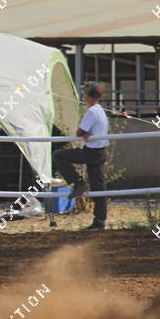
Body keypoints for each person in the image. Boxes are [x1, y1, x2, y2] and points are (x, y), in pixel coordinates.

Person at [54, 82, 109, 230]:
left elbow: (79, 132)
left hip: (92, 152)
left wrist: (84, 133)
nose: (83, 96)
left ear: (89, 96)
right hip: (99, 151)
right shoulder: (100, 110)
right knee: (99, 187)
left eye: (84, 93)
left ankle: (78, 183)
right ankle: (99, 220)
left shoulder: (91, 112)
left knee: (59, 155)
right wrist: (86, 134)